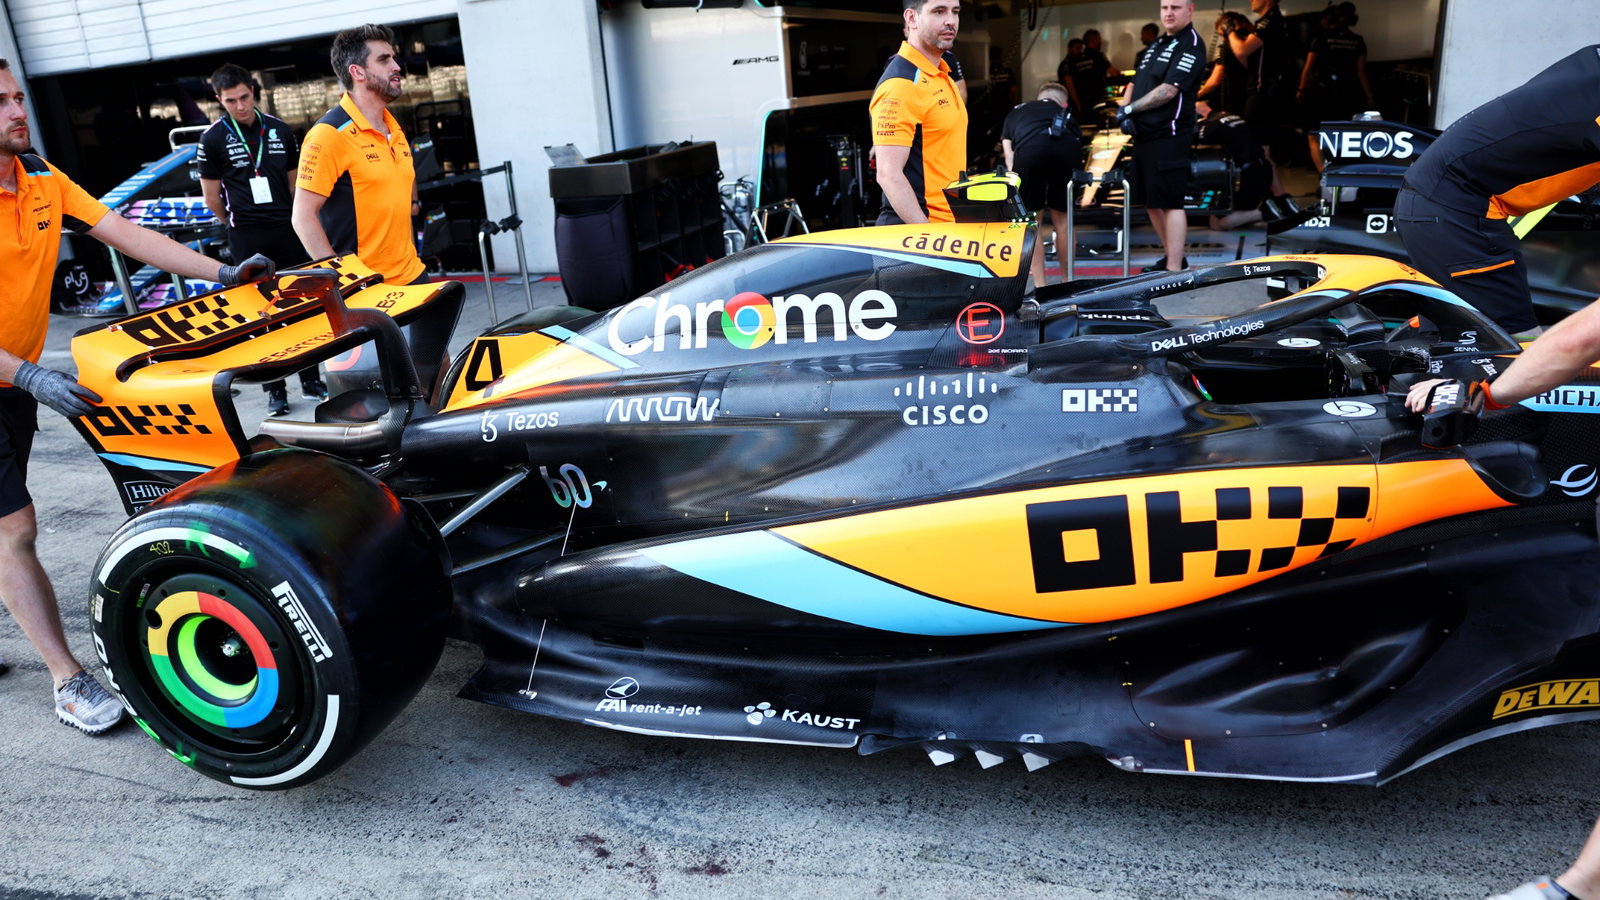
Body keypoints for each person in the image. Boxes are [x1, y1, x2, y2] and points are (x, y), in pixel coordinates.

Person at [0, 58, 273, 734]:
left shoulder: (38, 177)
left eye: (15, 97)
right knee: (15, 530)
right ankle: (68, 682)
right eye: (0, 103)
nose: (17, 110)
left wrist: (225, 272)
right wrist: (31, 375)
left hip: (10, 385)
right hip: (12, 377)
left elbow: (131, 237)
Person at [1395, 43, 1600, 338]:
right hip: (1457, 207)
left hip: (1440, 199)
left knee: (1458, 331)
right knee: (1514, 345)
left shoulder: (1592, 60)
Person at [198, 63, 324, 417]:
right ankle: (276, 390)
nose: (240, 106)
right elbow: (211, 197)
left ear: (253, 91)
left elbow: (295, 185)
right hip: (246, 237)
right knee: (263, 318)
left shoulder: (281, 130)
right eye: (231, 101)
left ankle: (312, 380)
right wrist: (234, 224)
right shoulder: (212, 139)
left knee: (304, 307)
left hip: (288, 230)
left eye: (244, 97)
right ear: (219, 100)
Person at [292, 23, 426, 286]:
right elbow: (302, 217)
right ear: (358, 72)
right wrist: (342, 280)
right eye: (384, 59)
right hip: (367, 287)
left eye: (394, 58)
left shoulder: (394, 127)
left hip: (413, 274)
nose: (396, 67)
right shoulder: (329, 134)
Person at [1116, 0, 1206, 273]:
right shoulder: (1156, 44)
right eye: (1165, 7)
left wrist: (1129, 109)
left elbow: (1169, 90)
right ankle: (1171, 257)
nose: (1169, 12)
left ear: (1189, 10)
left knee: (1170, 202)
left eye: (1175, 7)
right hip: (1144, 136)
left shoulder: (1190, 43)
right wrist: (1124, 111)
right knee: (1152, 202)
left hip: (1170, 134)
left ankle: (1175, 270)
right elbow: (1134, 82)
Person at [870, 0, 967, 225]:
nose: (950, 21)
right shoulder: (901, 84)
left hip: (947, 229)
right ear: (912, 18)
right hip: (917, 239)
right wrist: (930, 238)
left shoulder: (943, 75)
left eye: (955, 12)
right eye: (939, 11)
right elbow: (888, 174)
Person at [1001, 82, 1081, 285]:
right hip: (1065, 153)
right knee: (1063, 222)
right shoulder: (1068, 115)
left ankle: (1040, 285)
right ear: (1064, 103)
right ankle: (1067, 281)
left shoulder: (1018, 111)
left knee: (1032, 221)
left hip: (1029, 155)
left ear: (1039, 97)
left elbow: (1009, 155)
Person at [1227, 0, 1296, 195]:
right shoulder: (1272, 22)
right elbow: (1246, 60)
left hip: (1263, 95)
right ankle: (1277, 196)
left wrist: (1229, 31)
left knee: (1259, 151)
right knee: (1261, 151)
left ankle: (1275, 197)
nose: (1251, 0)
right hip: (1267, 94)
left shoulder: (1270, 21)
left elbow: (1241, 50)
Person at [1297, 3, 1374, 171]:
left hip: (1322, 94)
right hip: (1349, 95)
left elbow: (1308, 69)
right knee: (1346, 137)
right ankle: (1344, 175)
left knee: (1313, 136)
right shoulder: (1357, 41)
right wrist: (1369, 96)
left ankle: (1325, 177)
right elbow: (1361, 72)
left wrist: (1301, 90)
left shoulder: (1320, 38)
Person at [1068, 29, 1117, 115]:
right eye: (1099, 39)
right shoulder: (1099, 56)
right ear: (1094, 40)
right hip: (1099, 98)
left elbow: (1071, 83)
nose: (1100, 42)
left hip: (1082, 100)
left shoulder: (1076, 59)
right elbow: (1114, 73)